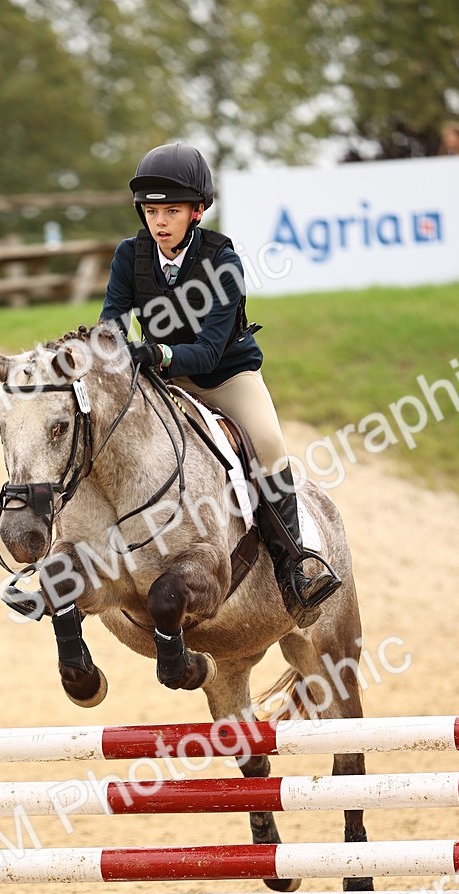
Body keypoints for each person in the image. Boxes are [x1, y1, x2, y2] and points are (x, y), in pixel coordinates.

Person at [100, 142, 341, 627]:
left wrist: (158, 352)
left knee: (269, 443)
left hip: (224, 375)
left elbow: (209, 351)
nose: (160, 221)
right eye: (151, 211)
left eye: (172, 210)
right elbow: (112, 319)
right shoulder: (130, 256)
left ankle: (295, 564)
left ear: (197, 211)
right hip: (161, 381)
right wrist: (106, 348)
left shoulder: (222, 264)